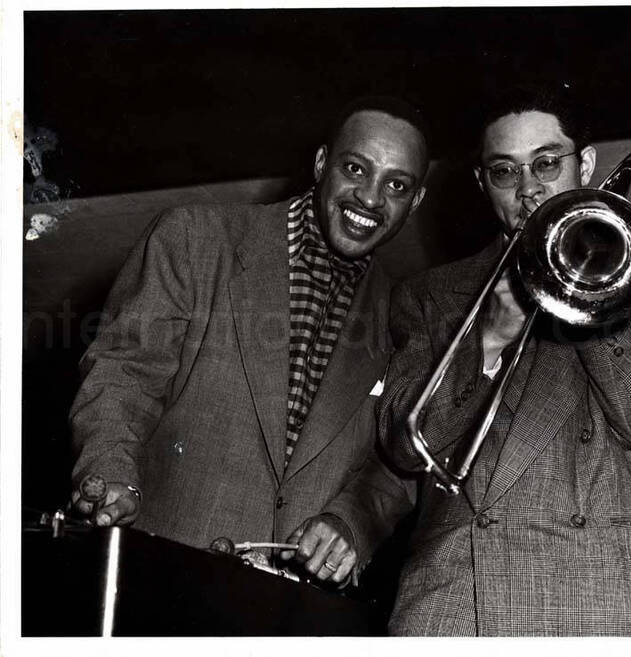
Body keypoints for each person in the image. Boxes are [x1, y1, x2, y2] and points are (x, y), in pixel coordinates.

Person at [376, 83, 631, 635]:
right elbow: (407, 449)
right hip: (459, 602)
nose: (529, 190)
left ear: (586, 164)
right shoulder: (430, 295)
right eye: (505, 172)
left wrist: (588, 290)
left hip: (599, 601)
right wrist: (488, 340)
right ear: (483, 183)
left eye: (547, 163)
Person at [69, 96, 427, 586]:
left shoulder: (408, 316)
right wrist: (112, 473)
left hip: (291, 610)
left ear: (416, 201)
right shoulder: (195, 237)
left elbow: (396, 463)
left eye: (396, 185)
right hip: (157, 577)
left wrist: (350, 523)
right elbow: (124, 374)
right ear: (322, 164)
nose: (369, 197)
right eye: (355, 168)